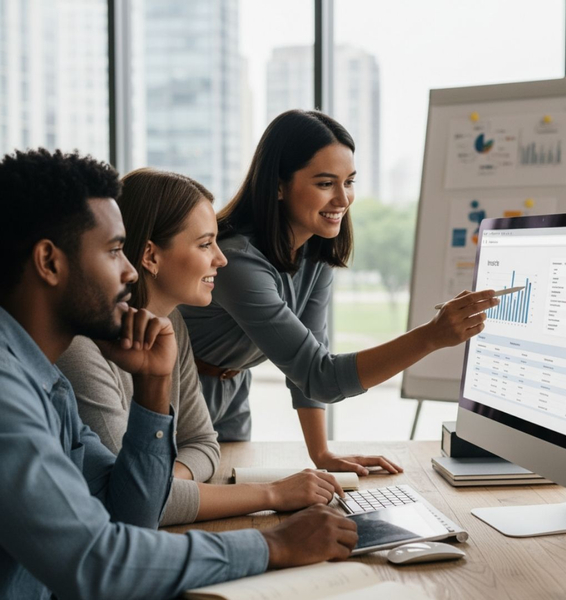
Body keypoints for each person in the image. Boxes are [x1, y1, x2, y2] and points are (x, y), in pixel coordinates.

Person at [0, 148, 357, 600]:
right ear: (50, 262)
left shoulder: (46, 384)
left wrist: (153, 388)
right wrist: (273, 544)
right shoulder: (8, 395)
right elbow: (96, 562)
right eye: (113, 252)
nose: (129, 271)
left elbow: (132, 516)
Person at [181, 109, 499, 473]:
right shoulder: (237, 262)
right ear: (279, 186)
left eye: (349, 181)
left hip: (233, 389)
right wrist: (431, 336)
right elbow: (321, 376)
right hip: (183, 392)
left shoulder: (314, 254)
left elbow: (306, 366)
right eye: (324, 183)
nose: (343, 199)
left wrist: (321, 453)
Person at [57, 167, 344, 526]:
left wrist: (155, 483)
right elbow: (127, 503)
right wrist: (272, 494)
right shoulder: (81, 352)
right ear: (150, 256)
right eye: (205, 244)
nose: (221, 259)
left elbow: (205, 444)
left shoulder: (170, 324)